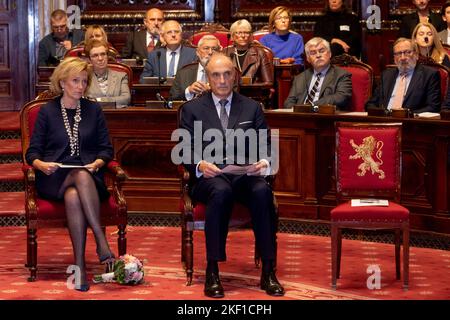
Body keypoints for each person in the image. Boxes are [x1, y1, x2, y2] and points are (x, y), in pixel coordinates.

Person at [179, 53, 284, 298]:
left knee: (262, 191)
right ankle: (213, 269)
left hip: (244, 175)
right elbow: (184, 148)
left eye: (227, 74)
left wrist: (264, 162)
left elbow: (266, 144)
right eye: (216, 75)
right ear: (208, 78)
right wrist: (200, 164)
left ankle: (268, 270)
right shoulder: (192, 109)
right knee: (221, 190)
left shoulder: (251, 107)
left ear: (235, 76)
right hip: (209, 178)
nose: (223, 80)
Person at [25, 57, 115, 292]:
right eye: (75, 81)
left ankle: (80, 267)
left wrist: (98, 162)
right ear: (62, 82)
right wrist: (41, 165)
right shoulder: (47, 111)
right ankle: (100, 240)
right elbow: (31, 152)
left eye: (84, 81)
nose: (80, 86)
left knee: (75, 192)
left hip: (87, 175)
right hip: (54, 177)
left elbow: (106, 149)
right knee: (78, 178)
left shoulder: (93, 110)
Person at [365, 38, 441, 113]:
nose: (403, 58)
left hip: (411, 122)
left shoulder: (429, 75)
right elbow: (371, 104)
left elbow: (433, 107)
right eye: (398, 54)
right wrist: (381, 113)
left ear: (416, 55)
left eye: (407, 52)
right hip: (385, 121)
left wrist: (407, 115)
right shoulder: (386, 75)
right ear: (394, 58)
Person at [284, 37, 352, 109]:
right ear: (308, 59)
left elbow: (341, 97)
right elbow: (289, 102)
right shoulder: (300, 77)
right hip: (301, 117)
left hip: (325, 116)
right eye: (313, 53)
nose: (318, 55)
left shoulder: (341, 75)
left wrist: (311, 106)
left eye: (322, 51)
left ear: (330, 54)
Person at [169, 35, 220, 101]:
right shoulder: (183, 73)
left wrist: (211, 92)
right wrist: (189, 91)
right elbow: (172, 100)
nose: (210, 52)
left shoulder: (229, 73)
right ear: (197, 52)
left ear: (219, 52)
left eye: (214, 49)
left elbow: (234, 99)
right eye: (206, 48)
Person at [223, 19, 274, 85]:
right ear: (232, 36)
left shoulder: (260, 53)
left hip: (252, 93)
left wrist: (250, 85)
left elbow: (268, 83)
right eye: (239, 33)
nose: (243, 36)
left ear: (250, 35)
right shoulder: (225, 52)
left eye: (246, 32)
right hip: (230, 92)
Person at [84, 40, 131, 107]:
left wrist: (99, 100)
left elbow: (126, 99)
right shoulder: (85, 77)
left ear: (107, 56)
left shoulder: (121, 76)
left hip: (116, 115)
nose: (100, 58)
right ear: (89, 60)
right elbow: (83, 100)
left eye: (103, 54)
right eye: (95, 55)